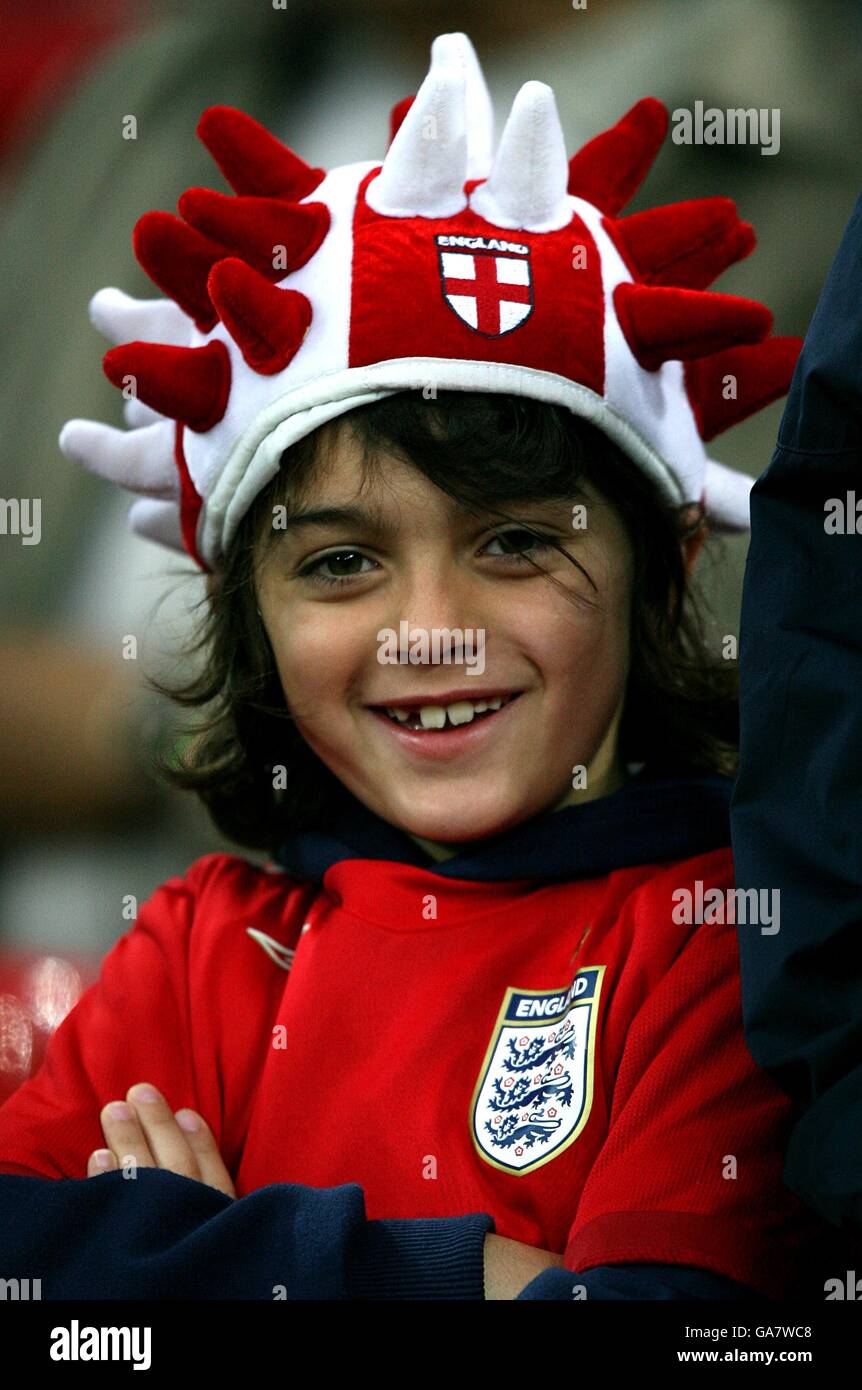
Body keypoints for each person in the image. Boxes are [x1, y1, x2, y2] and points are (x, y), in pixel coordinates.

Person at [0, 32, 833, 1300]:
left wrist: (199, 1259)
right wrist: (466, 1277)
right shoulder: (198, 946)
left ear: (664, 564)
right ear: (245, 609)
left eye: (511, 543)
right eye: (339, 564)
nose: (430, 627)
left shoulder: (716, 944)